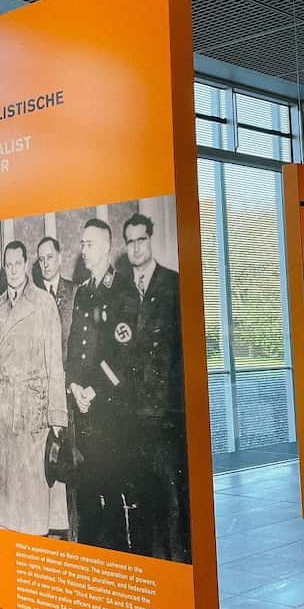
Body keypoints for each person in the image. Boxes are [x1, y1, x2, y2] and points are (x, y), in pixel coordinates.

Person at [0, 241, 67, 535]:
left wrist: (56, 417)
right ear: (3, 268)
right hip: (5, 412)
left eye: (19, 263)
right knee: (7, 510)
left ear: (26, 264)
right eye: (9, 265)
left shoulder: (44, 303)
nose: (14, 270)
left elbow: (55, 364)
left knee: (32, 507)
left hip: (34, 413)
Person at [65, 218, 139, 553]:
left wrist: (93, 389)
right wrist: (74, 386)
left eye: (89, 243)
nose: (83, 250)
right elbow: (75, 350)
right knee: (88, 493)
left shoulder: (123, 290)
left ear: (106, 247)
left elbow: (122, 356)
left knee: (111, 490)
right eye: (81, 243)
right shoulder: (82, 293)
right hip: (84, 410)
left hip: (110, 410)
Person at [124, 212, 190, 562]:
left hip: (165, 413)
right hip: (133, 416)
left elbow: (182, 351)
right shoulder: (122, 291)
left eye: (141, 240)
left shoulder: (172, 284)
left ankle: (178, 565)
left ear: (151, 240)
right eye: (130, 241)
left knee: (172, 498)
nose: (136, 248)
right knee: (143, 499)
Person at [37, 235, 74, 360]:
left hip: (70, 373)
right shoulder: (32, 297)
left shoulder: (75, 291)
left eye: (49, 257)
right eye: (41, 259)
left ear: (59, 259)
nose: (45, 264)